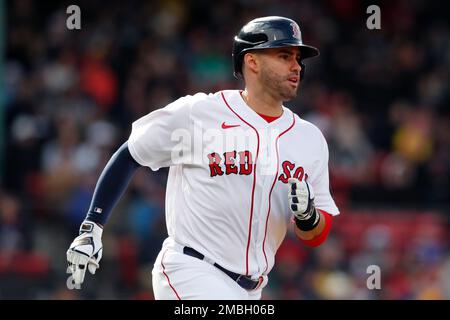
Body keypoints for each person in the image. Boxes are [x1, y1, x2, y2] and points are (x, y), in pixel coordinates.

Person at [66, 16, 340, 300]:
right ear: (252, 61)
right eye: (284, 55)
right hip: (191, 270)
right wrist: (92, 226)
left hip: (251, 288)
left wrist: (308, 218)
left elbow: (317, 235)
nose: (296, 66)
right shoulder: (200, 113)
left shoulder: (309, 140)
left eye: (298, 58)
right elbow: (131, 153)